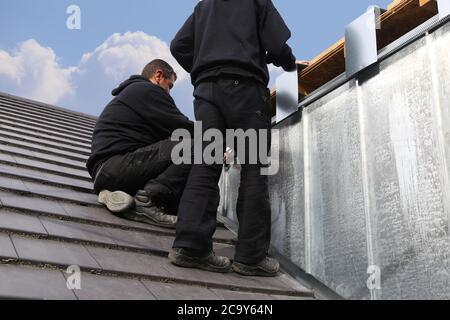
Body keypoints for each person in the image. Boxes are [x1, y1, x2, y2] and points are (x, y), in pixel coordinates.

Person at [169, 0, 308, 275]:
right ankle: (251, 257)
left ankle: (190, 247)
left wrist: (203, 66)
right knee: (254, 168)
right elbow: (277, 45)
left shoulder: (204, 5)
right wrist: (290, 64)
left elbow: (178, 46)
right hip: (244, 90)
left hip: (207, 93)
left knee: (205, 164)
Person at [86, 59, 194, 229]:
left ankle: (120, 195)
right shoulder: (147, 90)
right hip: (117, 165)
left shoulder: (133, 94)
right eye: (170, 85)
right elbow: (184, 127)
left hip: (106, 173)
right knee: (195, 147)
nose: (169, 93)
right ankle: (146, 201)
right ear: (158, 75)